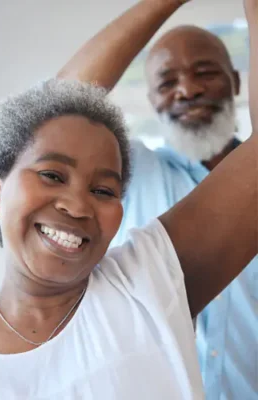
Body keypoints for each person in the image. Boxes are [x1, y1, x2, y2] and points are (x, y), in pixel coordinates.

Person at [0, 0, 258, 399]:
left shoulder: (147, 281)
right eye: (52, 175)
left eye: (104, 190)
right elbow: (58, 107)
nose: (76, 205)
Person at [58, 0, 258, 398]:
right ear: (152, 100)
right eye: (168, 82)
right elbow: (55, 113)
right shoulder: (130, 173)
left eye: (205, 73)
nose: (188, 89)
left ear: (237, 83)